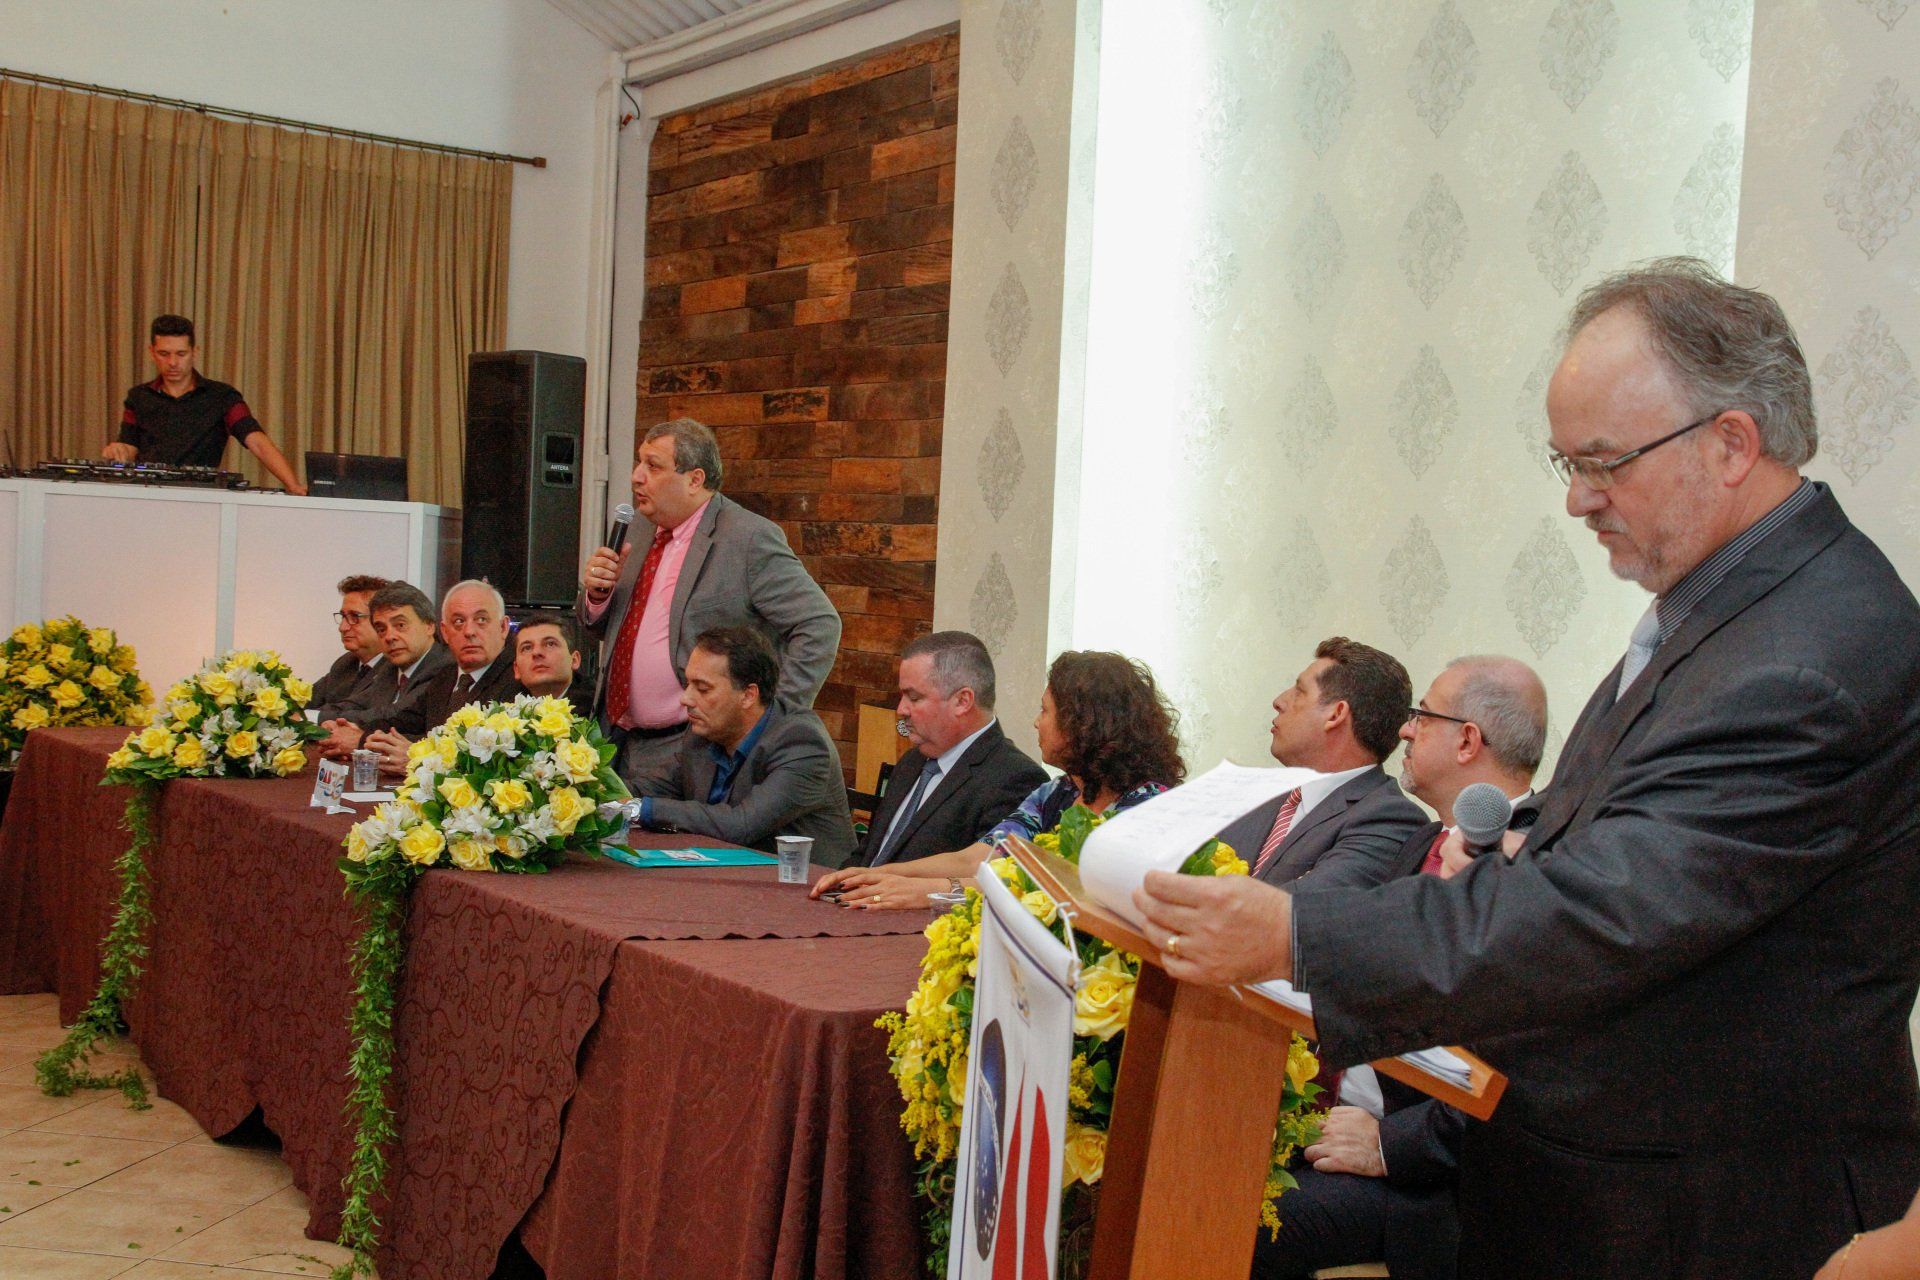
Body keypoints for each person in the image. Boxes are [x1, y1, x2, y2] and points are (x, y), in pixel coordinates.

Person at [1131, 259, 1920, 1280]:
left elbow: (1608, 910)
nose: (1580, 499)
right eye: (1567, 463)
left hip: (1697, 1212)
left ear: (1731, 442)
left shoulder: (1807, 652)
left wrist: (1298, 931)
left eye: (1604, 462)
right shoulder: (1734, 604)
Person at [1260, 656, 1548, 1280]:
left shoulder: (1547, 863)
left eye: (1422, 716)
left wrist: (1387, 1145)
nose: (1404, 730)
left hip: (1429, 1175)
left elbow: (1527, 1073)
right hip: (1333, 1116)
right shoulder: (1421, 841)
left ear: (1467, 740)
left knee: (1235, 1220)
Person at [576, 417, 841, 791]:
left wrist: (771, 716)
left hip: (692, 746)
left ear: (694, 479)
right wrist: (598, 596)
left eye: (653, 466)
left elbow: (819, 625)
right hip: (615, 736)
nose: (636, 476)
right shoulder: (638, 527)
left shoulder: (747, 539)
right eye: (639, 462)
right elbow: (609, 627)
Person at [815, 650, 1184, 910]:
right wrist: (877, 874)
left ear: (1085, 724)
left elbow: (1050, 890)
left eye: (1045, 711)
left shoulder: (1146, 805)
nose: (1036, 722)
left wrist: (925, 892)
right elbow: (980, 858)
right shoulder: (1056, 793)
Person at [629, 626, 855, 865]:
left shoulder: (802, 743)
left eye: (703, 689)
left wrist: (640, 809)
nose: (686, 699)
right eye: (688, 684)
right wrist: (603, 792)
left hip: (805, 881)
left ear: (748, 695)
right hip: (724, 872)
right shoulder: (703, 733)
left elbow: (741, 825)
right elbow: (651, 788)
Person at [1215, 637, 1426, 888]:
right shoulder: (1253, 798)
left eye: (1299, 691)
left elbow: (1302, 905)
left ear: (1336, 714)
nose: (1279, 701)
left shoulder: (1389, 819)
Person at [846, 631, 1046, 869]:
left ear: (962, 701)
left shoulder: (1014, 779)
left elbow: (985, 879)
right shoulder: (912, 761)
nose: (901, 709)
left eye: (914, 698)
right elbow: (867, 854)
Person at [102, 314, 306, 493]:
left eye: (181, 354)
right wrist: (119, 451)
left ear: (195, 352)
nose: (172, 362)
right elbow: (130, 446)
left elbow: (256, 441)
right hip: (149, 493)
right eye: (164, 354)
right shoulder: (138, 397)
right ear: (152, 352)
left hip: (202, 496)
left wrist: (292, 484)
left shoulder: (222, 396)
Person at [358, 580, 521, 775]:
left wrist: (420, 759)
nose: (469, 631)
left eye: (481, 620)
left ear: (503, 627)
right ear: (444, 632)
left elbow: (490, 762)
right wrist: (370, 738)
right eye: (458, 622)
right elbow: (399, 722)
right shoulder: (446, 676)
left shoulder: (518, 679)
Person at [316, 582, 451, 758]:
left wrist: (359, 739)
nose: (389, 637)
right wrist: (333, 724)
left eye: (400, 625)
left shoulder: (445, 667)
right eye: (381, 629)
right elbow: (355, 704)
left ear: (429, 626)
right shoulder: (389, 667)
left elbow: (396, 715)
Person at [309, 574, 392, 721]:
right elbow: (306, 699)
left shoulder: (394, 666)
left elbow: (356, 710)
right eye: (343, 616)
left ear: (381, 621)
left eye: (355, 617)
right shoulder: (345, 663)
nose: (343, 627)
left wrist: (305, 717)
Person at [512, 611, 588, 713]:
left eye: (550, 644)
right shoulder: (502, 712)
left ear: (574, 660)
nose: (536, 652)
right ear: (516, 669)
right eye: (527, 648)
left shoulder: (602, 709)